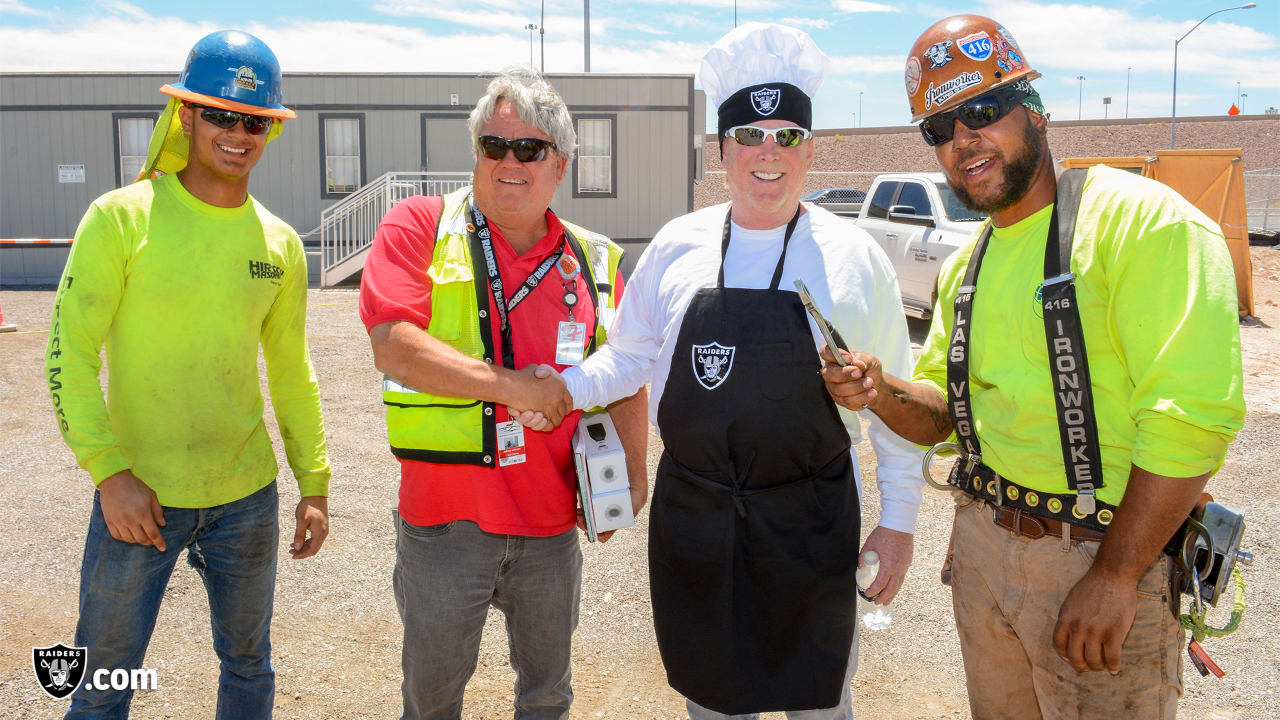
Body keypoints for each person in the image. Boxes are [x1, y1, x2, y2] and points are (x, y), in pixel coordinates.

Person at [822, 14, 1246, 719]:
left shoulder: (1140, 224)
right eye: (940, 127)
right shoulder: (968, 264)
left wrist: (1115, 576)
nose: (962, 139)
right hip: (985, 553)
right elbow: (946, 414)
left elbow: (1191, 420)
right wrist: (878, 388)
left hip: (1102, 554)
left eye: (983, 110)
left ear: (1037, 111)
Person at [514, 23, 924, 719]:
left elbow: (894, 404)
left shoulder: (857, 259)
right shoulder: (678, 244)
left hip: (812, 523)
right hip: (698, 521)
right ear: (722, 149)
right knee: (713, 704)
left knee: (821, 704)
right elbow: (631, 355)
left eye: (787, 135)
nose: (769, 152)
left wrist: (901, 522)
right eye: (750, 134)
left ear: (811, 150)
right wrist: (563, 389)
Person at [46, 30, 330, 718]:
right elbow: (67, 355)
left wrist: (314, 483)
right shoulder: (121, 218)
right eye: (220, 114)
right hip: (137, 498)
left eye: (254, 121)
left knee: (248, 666)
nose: (237, 134)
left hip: (247, 498)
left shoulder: (279, 244)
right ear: (185, 115)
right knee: (102, 683)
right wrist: (110, 475)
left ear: (271, 130)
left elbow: (291, 371)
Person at [358, 66, 648, 720]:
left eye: (530, 149)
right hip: (443, 526)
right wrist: (511, 387)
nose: (509, 162)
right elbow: (393, 344)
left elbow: (628, 372)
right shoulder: (419, 225)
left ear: (560, 165)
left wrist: (633, 474)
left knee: (547, 697)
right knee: (431, 701)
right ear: (476, 153)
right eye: (495, 145)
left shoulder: (595, 261)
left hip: (551, 527)